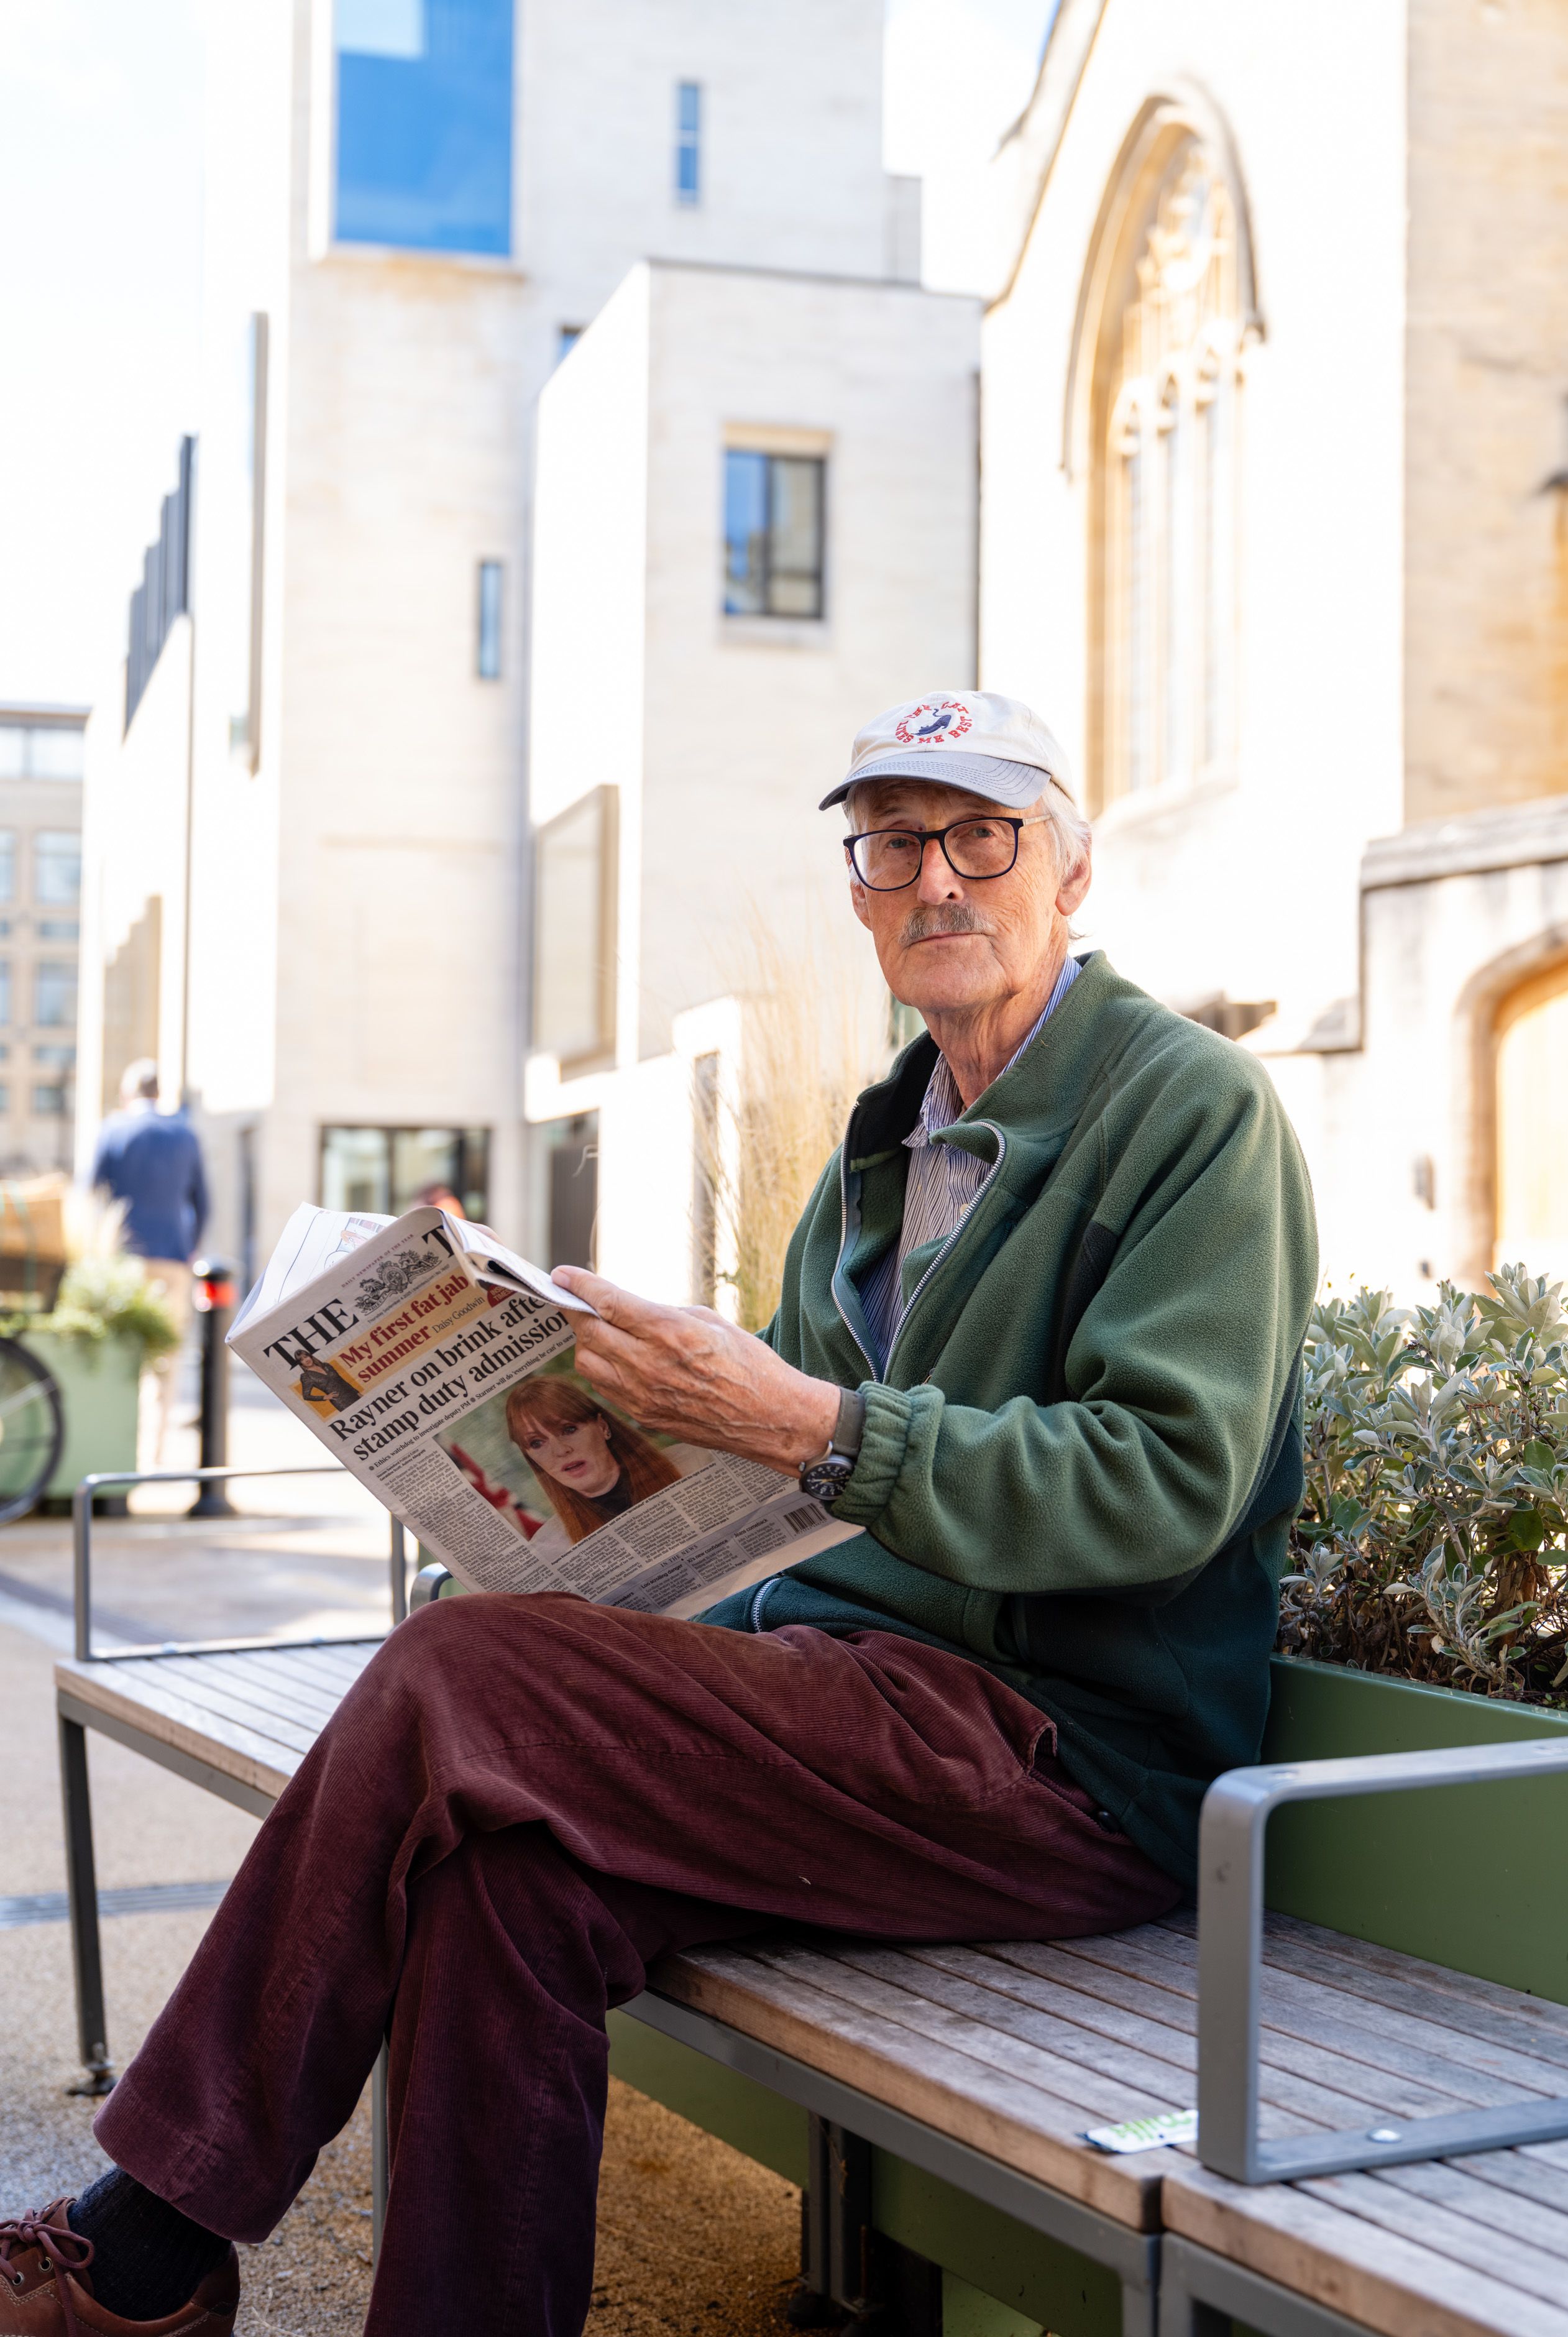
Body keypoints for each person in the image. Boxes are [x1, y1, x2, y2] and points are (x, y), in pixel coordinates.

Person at [0, 692, 1316, 2336]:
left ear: (1073, 868)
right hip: (851, 1715)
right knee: (504, 1886)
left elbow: (1165, 1480)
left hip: (1066, 1762)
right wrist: (598, 1530)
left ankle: (147, 2248)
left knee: (457, 1673)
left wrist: (807, 1421)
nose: (937, 879)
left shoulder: (1191, 1113)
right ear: (860, 891)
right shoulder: (882, 1147)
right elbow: (782, 1503)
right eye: (893, 844)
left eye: (984, 836)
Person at [88, 1061, 211, 1460]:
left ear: (128, 1094)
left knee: (118, 1351)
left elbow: (89, 1191)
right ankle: (153, 1454)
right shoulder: (184, 1134)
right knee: (165, 1355)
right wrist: (190, 1247)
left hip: (122, 1258)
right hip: (173, 1258)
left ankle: (116, 1448)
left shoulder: (114, 1129)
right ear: (160, 1094)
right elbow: (204, 1203)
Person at [503, 1372, 681, 1547]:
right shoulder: (552, 1546)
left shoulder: (691, 1461)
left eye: (569, 1429)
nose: (561, 1450)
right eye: (536, 1443)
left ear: (603, 1426)